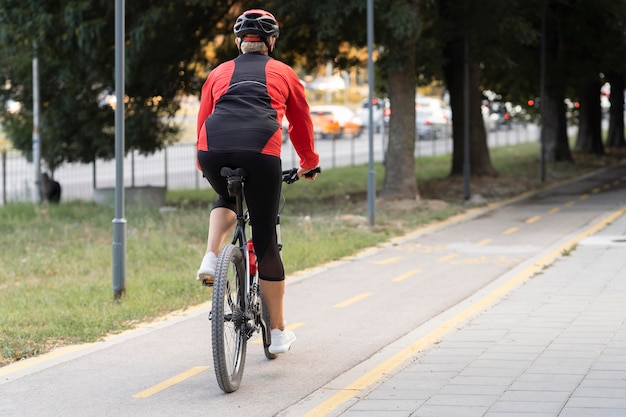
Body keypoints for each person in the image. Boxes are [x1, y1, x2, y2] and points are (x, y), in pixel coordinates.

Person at [195, 9, 319, 354]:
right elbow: (300, 124)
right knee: (264, 237)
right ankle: (278, 332)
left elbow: (204, 117)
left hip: (213, 149)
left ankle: (210, 255)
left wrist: (201, 160)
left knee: (225, 199)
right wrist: (309, 163)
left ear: (239, 42)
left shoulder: (218, 72)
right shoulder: (283, 72)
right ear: (271, 42)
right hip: (260, 150)